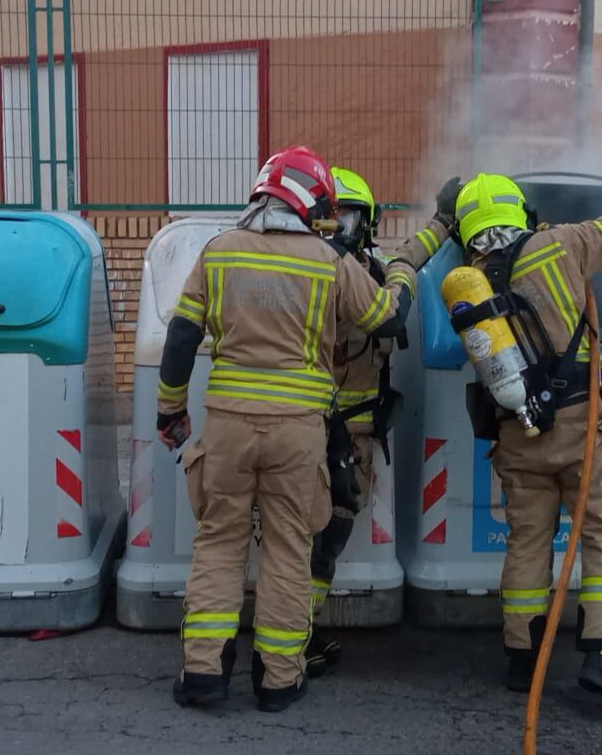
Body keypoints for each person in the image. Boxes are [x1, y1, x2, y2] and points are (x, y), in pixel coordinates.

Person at [156, 148, 451, 712]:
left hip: (228, 429)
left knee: (218, 543)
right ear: (310, 203)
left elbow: (181, 336)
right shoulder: (328, 261)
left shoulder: (219, 251)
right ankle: (278, 680)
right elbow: (386, 319)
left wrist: (171, 411)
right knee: (290, 550)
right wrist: (401, 275)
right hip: (298, 435)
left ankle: (203, 674)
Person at [452, 172, 602, 715]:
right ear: (520, 212)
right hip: (581, 427)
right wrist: (587, 215)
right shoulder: (562, 243)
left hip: (517, 434)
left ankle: (523, 659)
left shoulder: (470, 281)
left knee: (528, 542)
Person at [302, 167, 444, 676]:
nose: (336, 227)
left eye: (347, 217)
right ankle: (291, 637)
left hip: (353, 436)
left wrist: (443, 223)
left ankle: (297, 630)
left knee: (330, 537)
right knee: (301, 537)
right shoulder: (304, 272)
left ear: (366, 223)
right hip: (305, 430)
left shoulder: (376, 274)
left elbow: (408, 262)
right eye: (329, 216)